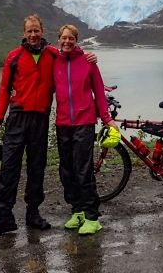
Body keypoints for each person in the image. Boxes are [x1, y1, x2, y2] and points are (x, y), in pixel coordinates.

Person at [0, 15, 97, 237]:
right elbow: (5, 88)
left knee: (37, 167)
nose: (33, 35)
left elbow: (72, 55)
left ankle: (32, 214)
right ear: (24, 33)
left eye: (36, 31)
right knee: (9, 167)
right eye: (29, 31)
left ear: (42, 32)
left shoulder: (53, 55)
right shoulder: (14, 57)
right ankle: (4, 217)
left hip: (41, 117)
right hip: (17, 116)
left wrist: (89, 56)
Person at [53, 24, 119, 235]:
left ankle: (92, 216)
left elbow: (99, 91)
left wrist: (107, 119)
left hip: (84, 122)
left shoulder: (88, 63)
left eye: (71, 38)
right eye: (64, 38)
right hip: (63, 123)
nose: (67, 42)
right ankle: (77, 210)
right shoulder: (54, 61)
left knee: (83, 169)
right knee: (67, 169)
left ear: (76, 40)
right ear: (59, 39)